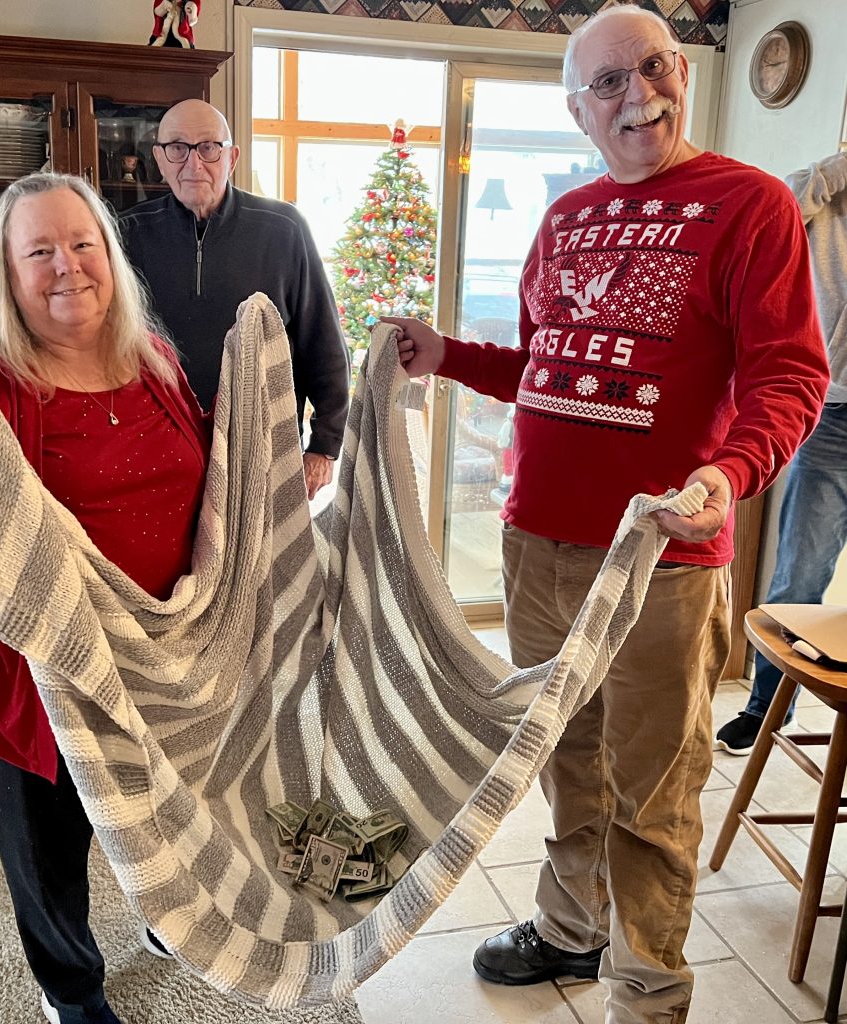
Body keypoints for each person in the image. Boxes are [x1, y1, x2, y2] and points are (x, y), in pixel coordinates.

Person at [384, 5, 829, 1022]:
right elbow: (545, 368)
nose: (638, 94)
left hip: (657, 561)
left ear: (679, 71)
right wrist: (448, 355)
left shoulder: (749, 204)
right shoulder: (566, 216)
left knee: (652, 793)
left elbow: (789, 375)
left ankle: (647, 993)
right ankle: (568, 931)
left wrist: (730, 469)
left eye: (654, 68)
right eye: (608, 84)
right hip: (534, 543)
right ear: (578, 110)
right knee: (562, 757)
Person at [0, 172, 212, 1024]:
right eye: (40, 250)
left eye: (84, 243)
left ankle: (167, 923)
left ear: (110, 256)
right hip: (30, 671)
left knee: (161, 812)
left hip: (152, 654)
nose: (68, 266)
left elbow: (208, 481)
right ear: (7, 270)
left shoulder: (154, 357)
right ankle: (69, 987)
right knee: (48, 844)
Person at [120, 99, 350, 500]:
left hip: (262, 450)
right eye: (177, 148)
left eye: (209, 147)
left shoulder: (284, 229)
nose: (193, 164)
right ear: (158, 158)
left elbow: (323, 341)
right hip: (158, 448)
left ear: (233, 157)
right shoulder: (127, 233)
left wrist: (324, 446)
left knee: (262, 563)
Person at [716, 150, 847, 756]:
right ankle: (766, 707)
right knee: (799, 574)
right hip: (834, 416)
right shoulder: (822, 195)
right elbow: (776, 207)